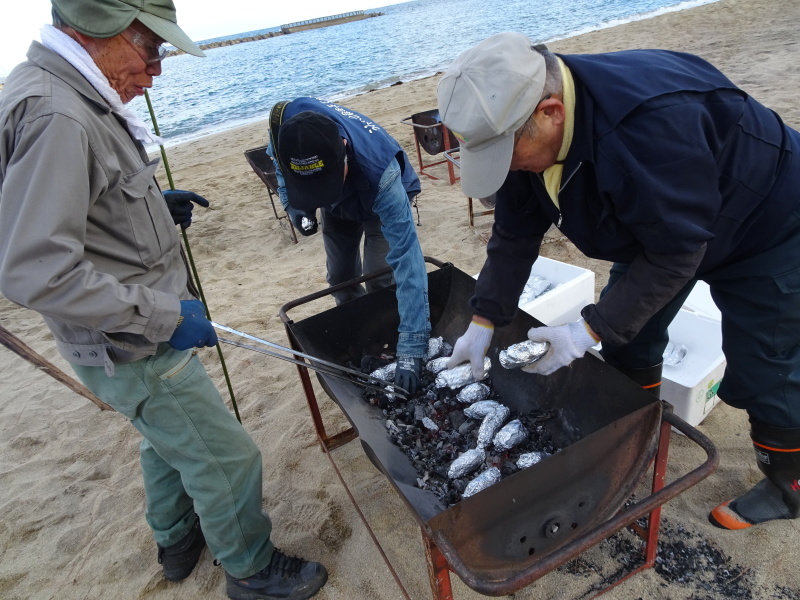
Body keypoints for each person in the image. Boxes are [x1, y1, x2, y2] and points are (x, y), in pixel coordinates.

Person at [0, 2, 328, 599]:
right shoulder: (57, 113)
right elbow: (34, 269)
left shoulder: (70, 91)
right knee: (227, 459)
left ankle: (177, 539)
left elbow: (90, 205)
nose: (156, 71)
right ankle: (251, 572)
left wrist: (153, 205)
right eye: (150, 48)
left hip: (130, 330)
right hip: (131, 340)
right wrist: (164, 314)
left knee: (166, 438)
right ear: (98, 29)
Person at [437, 32, 800, 532]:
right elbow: (515, 230)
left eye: (506, 152)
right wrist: (483, 319)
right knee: (630, 338)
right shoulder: (522, 121)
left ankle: (788, 485)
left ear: (551, 113)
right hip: (661, 230)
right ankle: (639, 437)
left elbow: (678, 252)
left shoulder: (647, 129)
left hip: (767, 222)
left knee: (768, 364)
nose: (507, 166)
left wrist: (585, 332)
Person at [267, 98, 431, 394]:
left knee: (379, 273)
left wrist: (413, 347)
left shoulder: (382, 173)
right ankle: (362, 335)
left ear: (343, 148)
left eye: (328, 181)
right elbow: (279, 167)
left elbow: (408, 260)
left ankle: (395, 337)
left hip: (373, 196)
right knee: (340, 277)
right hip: (337, 210)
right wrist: (294, 205)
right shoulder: (284, 125)